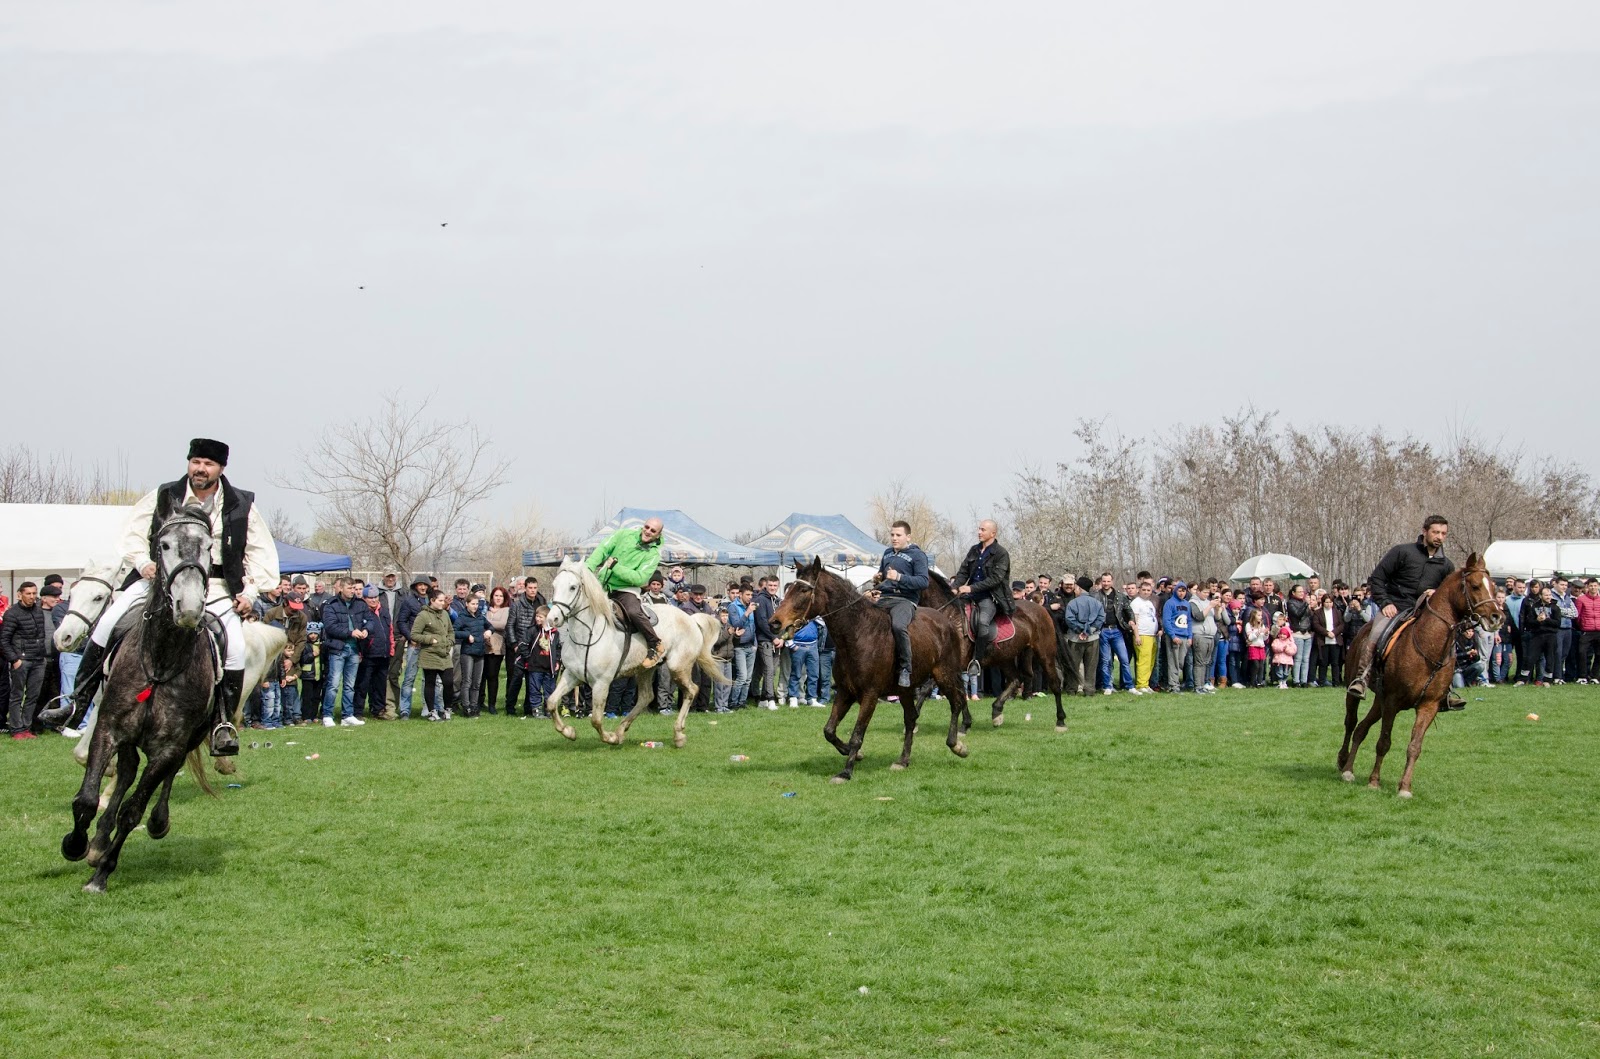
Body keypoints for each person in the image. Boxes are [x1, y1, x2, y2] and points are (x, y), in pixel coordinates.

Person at [41, 438, 278, 755]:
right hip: (160, 579)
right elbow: (131, 535)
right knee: (109, 621)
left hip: (217, 585)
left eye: (208, 464)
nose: (200, 469)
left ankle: (223, 724)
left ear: (221, 469)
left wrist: (249, 592)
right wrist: (143, 562)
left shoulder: (242, 505)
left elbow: (261, 556)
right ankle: (75, 703)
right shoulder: (165, 494)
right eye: (195, 462)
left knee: (234, 646)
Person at [1345, 515, 1465, 711]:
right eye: (1435, 532)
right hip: (1395, 608)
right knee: (1375, 634)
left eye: (1443, 533)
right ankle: (1361, 678)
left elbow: (1447, 596)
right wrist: (1385, 603)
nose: (1439, 537)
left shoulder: (1446, 565)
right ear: (1425, 531)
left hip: (1426, 613)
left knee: (1448, 643)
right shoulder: (1402, 552)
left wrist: (1436, 593)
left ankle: (1446, 691)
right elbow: (1376, 578)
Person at [584, 518, 666, 668]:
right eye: (646, 527)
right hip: (603, 586)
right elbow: (603, 549)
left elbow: (641, 578)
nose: (648, 531)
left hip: (626, 590)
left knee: (633, 612)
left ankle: (655, 644)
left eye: (653, 530)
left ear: (658, 534)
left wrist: (615, 567)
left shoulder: (653, 555)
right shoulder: (623, 534)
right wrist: (588, 567)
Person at [872, 520, 930, 688]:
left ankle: (905, 668)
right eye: (892, 535)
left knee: (898, 626)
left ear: (908, 536)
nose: (894, 538)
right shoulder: (888, 553)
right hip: (884, 598)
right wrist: (877, 580)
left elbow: (923, 581)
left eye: (898, 535)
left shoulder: (918, 555)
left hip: (905, 600)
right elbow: (884, 577)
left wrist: (899, 577)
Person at [949, 519, 1014, 663]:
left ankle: (977, 660)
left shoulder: (1001, 553)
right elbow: (963, 573)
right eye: (979, 529)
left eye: (983, 530)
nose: (979, 532)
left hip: (990, 597)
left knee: (983, 622)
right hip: (969, 596)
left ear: (993, 533)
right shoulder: (974, 550)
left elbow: (995, 579)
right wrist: (953, 588)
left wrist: (970, 587)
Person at [2, 582, 51, 739]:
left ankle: (26, 727)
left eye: (34, 593)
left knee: (32, 696)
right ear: (19, 595)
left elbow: (41, 635)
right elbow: (4, 640)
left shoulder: (38, 612)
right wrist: (15, 659)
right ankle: (16, 729)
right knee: (16, 695)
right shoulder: (12, 613)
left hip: (38, 660)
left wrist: (42, 656)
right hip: (21, 660)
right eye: (28, 593)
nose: (31, 596)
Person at [410, 589, 456, 721]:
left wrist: (450, 641)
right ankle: (432, 711)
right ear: (432, 600)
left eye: (443, 600)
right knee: (430, 683)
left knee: (448, 682)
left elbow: (451, 630)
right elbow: (414, 634)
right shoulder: (423, 615)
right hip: (429, 654)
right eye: (440, 601)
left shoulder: (445, 614)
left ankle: (447, 709)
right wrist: (430, 639)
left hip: (444, 653)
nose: (443, 603)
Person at [1062, 576, 1104, 696]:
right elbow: (1101, 618)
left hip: (1075, 638)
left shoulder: (1073, 603)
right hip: (1093, 638)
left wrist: (1080, 630)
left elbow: (1069, 619)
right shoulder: (1097, 603)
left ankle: (1071, 689)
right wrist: (1089, 630)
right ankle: (1090, 690)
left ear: (1079, 588)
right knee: (1091, 666)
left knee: (1073, 665)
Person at [1160, 581, 1193, 693]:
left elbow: (1188, 620)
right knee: (1173, 661)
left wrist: (1190, 636)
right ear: (1175, 591)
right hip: (1174, 636)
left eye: (1184, 591)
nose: (1181, 593)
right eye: (1179, 590)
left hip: (1184, 636)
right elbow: (1166, 621)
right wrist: (1172, 636)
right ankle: (1173, 685)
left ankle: (1175, 682)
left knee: (1180, 662)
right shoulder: (1170, 603)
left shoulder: (1187, 604)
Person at [482, 586, 511, 714]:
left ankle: (492, 704)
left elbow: (503, 624)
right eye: (496, 596)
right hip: (482, 646)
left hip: (497, 647)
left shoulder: (507, 610)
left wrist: (488, 622)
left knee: (492, 676)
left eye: (501, 596)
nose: (498, 598)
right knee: (481, 676)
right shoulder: (485, 609)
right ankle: (479, 701)